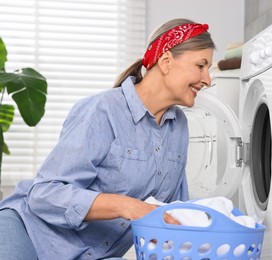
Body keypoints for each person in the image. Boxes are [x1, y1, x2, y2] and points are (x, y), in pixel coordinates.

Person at [0, 18, 215, 260]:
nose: (208, 80)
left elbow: (173, 212)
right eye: (201, 66)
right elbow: (43, 194)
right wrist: (130, 207)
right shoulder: (102, 110)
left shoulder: (179, 128)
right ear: (166, 62)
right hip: (30, 234)